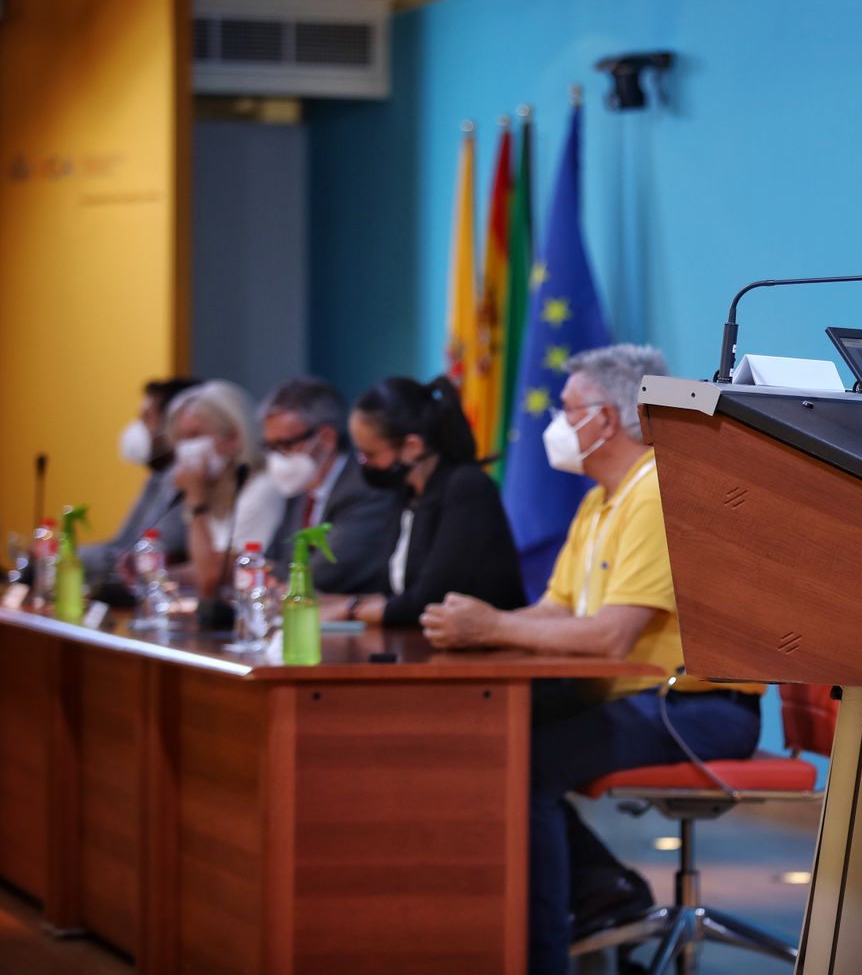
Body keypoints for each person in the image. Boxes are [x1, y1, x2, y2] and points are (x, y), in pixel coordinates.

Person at [419, 344, 765, 975]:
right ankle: (600, 891)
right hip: (626, 694)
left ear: (605, 418)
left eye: (566, 407)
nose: (555, 422)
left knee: (528, 763)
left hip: (700, 708)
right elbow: (556, 610)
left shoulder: (659, 491)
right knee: (479, 738)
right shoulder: (601, 498)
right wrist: (471, 632)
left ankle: (544, 953)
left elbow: (610, 638)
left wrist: (491, 625)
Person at [337, 375, 524, 626]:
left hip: (486, 655)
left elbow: (429, 602)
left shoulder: (467, 488)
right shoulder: (407, 494)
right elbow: (395, 592)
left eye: (370, 454)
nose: (364, 464)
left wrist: (349, 610)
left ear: (412, 446)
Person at [259, 377, 401, 595]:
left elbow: (324, 574)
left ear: (326, 439)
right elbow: (268, 563)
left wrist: (276, 576)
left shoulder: (366, 487)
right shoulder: (299, 489)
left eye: (285, 445)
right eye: (270, 446)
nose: (277, 457)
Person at [80, 376, 202, 586]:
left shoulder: (193, 486)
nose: (139, 428)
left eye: (146, 418)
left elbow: (144, 559)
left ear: (172, 423)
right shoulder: (159, 479)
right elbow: (122, 545)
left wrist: (65, 559)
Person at [167, 380, 282, 599]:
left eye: (194, 436)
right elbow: (205, 564)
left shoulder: (262, 489)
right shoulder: (215, 491)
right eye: (179, 439)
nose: (185, 449)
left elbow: (211, 578)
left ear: (233, 438)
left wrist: (195, 500)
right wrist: (157, 574)